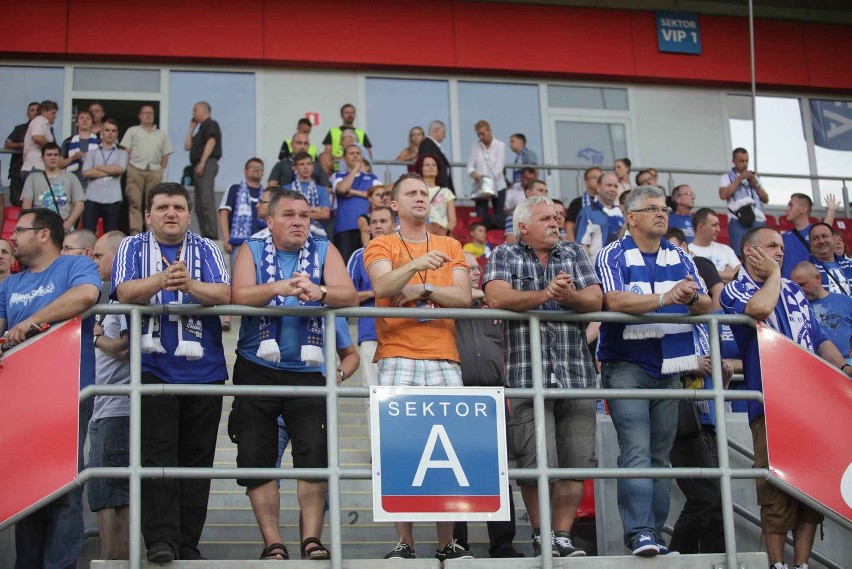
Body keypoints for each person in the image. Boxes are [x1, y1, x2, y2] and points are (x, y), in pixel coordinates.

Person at [230, 189, 357, 561]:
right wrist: (278, 288)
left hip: (306, 371)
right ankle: (273, 542)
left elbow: (349, 296)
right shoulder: (250, 249)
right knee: (255, 457)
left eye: (304, 214)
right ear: (269, 221)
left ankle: (311, 540)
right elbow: (238, 295)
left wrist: (320, 292)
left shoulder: (324, 249)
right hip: (257, 367)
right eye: (288, 214)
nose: (299, 221)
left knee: (314, 455)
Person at [720, 226, 852, 569]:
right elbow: (760, 309)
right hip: (770, 403)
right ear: (750, 252)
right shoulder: (735, 288)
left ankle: (802, 564)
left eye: (781, 247)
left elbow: (818, 337)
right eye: (772, 246)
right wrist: (775, 274)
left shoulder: (794, 291)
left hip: (812, 403)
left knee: (812, 490)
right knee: (776, 489)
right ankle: (777, 564)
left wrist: (844, 370)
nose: (780, 252)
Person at [112, 182, 231, 562]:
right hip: (152, 368)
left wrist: (190, 285)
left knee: (197, 465)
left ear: (189, 212)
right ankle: (161, 541)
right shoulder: (131, 246)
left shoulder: (209, 247)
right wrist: (161, 281)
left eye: (178, 207)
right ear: (148, 214)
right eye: (162, 207)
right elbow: (124, 291)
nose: (171, 214)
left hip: (204, 371)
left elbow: (225, 294)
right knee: (158, 457)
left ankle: (188, 544)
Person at [595, 185, 711, 556]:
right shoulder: (611, 253)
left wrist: (690, 297)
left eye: (664, 209)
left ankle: (655, 535)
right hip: (626, 363)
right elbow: (613, 299)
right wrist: (667, 297)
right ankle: (640, 532)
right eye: (652, 209)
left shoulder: (680, 254)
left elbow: (706, 302)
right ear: (630, 217)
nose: (662, 214)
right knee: (637, 450)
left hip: (670, 365)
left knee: (660, 455)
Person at [484, 195, 602, 558]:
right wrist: (544, 295)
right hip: (526, 374)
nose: (555, 222)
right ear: (523, 227)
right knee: (535, 460)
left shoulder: (574, 252)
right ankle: (540, 533)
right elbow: (495, 296)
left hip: (576, 373)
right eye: (545, 218)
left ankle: (561, 535)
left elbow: (595, 299)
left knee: (575, 460)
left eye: (557, 216)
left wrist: (568, 296)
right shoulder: (505, 254)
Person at [363, 172, 473, 561]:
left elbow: (462, 297)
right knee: (402, 447)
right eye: (411, 193)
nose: (420, 198)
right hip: (397, 352)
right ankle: (404, 541)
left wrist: (424, 288)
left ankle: (447, 542)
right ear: (393, 204)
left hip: (444, 354)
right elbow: (384, 287)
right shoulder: (380, 243)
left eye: (424, 193)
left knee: (452, 448)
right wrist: (415, 267)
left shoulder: (450, 243)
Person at [0, 208, 101, 569]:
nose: (13, 236)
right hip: (21, 400)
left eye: (21, 230)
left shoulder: (74, 267)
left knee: (62, 491)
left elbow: (88, 295)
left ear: (44, 234)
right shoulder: (9, 284)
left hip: (67, 393)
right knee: (27, 490)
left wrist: (30, 322)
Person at [449, 251, 523, 558]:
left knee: (497, 471)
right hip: (455, 396)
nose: (475, 273)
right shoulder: (448, 306)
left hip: (494, 396)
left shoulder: (496, 306)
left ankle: (502, 542)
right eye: (466, 269)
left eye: (477, 268)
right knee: (453, 472)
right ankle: (457, 542)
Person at [88, 230, 132, 560]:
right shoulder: (111, 299)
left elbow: (126, 348)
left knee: (115, 495)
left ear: (117, 258)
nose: (94, 261)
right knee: (104, 493)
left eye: (99, 255)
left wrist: (96, 338)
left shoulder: (122, 300)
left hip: (118, 407)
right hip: (104, 407)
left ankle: (114, 562)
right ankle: (110, 560)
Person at [347, 206, 397, 407]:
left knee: (403, 396)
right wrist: (375, 291)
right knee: (373, 396)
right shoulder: (359, 256)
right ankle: (374, 441)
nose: (377, 225)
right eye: (374, 222)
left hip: (405, 333)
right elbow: (346, 296)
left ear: (394, 225)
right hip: (370, 333)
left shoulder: (408, 252)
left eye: (383, 221)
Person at [120, 104, 174, 235]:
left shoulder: (161, 134)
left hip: (155, 171)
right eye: (145, 113)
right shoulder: (132, 131)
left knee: (153, 203)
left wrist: (161, 170)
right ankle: (136, 232)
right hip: (135, 169)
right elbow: (125, 152)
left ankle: (152, 232)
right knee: (135, 202)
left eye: (151, 113)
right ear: (140, 116)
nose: (148, 115)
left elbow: (165, 155)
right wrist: (127, 169)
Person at [791, 261, 852, 363]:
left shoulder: (845, 301)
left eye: (803, 284)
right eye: (796, 287)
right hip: (819, 366)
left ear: (818, 278)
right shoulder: (798, 309)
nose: (800, 290)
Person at [331, 144, 382, 264]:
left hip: (369, 228)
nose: (355, 156)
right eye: (351, 153)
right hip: (345, 228)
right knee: (346, 265)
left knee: (369, 263)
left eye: (358, 153)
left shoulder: (373, 177)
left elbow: (378, 195)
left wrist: (353, 192)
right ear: (344, 158)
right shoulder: (337, 175)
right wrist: (354, 170)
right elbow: (343, 189)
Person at [22, 142, 86, 232]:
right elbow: (26, 203)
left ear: (60, 157)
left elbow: (80, 205)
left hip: (63, 227)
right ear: (42, 158)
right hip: (40, 227)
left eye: (56, 155)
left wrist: (67, 224)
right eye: (49, 155)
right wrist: (31, 226)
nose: (52, 157)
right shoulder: (32, 178)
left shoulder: (71, 177)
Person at [718, 147, 769, 255]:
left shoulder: (755, 178)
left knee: (761, 254)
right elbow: (723, 195)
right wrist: (739, 179)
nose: (745, 164)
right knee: (740, 253)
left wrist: (756, 185)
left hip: (758, 219)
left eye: (746, 160)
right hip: (738, 219)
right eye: (741, 161)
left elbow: (765, 199)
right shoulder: (726, 177)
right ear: (733, 161)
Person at [81, 118, 127, 233]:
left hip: (113, 198)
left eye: (113, 130)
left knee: (110, 234)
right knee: (88, 233)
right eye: (107, 130)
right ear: (101, 132)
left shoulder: (122, 153)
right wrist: (109, 170)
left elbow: (119, 170)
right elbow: (86, 172)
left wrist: (97, 167)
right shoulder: (91, 152)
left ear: (117, 133)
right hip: (92, 197)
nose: (110, 133)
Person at [184, 101, 222, 239]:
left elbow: (211, 142)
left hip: (206, 164)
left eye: (195, 110)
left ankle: (212, 235)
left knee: (206, 200)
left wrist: (202, 162)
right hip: (199, 165)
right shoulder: (200, 129)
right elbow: (187, 146)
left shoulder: (211, 124)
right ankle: (206, 234)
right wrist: (191, 128)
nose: (193, 113)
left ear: (204, 110)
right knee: (199, 204)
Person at [575, 171, 624, 259]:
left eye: (615, 186)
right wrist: (588, 271)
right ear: (598, 187)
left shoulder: (621, 213)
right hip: (596, 270)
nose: (612, 189)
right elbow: (582, 246)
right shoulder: (587, 212)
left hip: (620, 270)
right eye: (608, 185)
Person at [467, 120, 506, 228]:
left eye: (483, 133)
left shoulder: (500, 145)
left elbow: (499, 168)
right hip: (480, 186)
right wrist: (473, 173)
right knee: (481, 215)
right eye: (479, 134)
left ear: (489, 131)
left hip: (498, 186)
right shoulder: (475, 145)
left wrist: (486, 180)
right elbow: (470, 166)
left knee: (499, 213)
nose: (481, 136)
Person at [284, 151, 332, 238]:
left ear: (313, 167)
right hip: (292, 233)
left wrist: (296, 212)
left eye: (308, 164)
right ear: (295, 168)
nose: (306, 167)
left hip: (317, 234)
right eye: (302, 164)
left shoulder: (321, 190)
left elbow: (325, 214)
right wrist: (315, 209)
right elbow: (284, 213)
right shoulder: (285, 189)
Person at [689, 208, 741, 283]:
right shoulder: (687, 251)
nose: (718, 229)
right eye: (714, 225)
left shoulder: (725, 249)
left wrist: (708, 275)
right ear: (700, 227)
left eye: (718, 225)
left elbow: (740, 274)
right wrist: (727, 273)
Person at [4, 101, 39, 205]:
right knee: (17, 202)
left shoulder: (45, 128)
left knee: (36, 204)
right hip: (18, 172)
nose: (35, 112)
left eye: (38, 110)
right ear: (27, 113)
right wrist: (23, 145)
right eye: (32, 110)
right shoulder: (20, 129)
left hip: (37, 172)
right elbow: (7, 144)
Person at [320, 103, 373, 173]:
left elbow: (368, 156)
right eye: (347, 112)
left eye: (352, 112)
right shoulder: (333, 132)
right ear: (341, 115)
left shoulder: (361, 133)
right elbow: (327, 153)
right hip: (336, 170)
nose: (350, 115)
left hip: (358, 171)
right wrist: (341, 159)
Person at [415, 154, 456, 236]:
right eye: (427, 165)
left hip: (442, 234)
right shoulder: (415, 191)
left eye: (434, 165)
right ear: (420, 169)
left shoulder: (446, 192)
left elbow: (452, 221)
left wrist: (445, 232)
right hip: (421, 233)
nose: (431, 167)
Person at [807, 222, 852, 295]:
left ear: (834, 239)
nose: (821, 241)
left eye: (825, 236)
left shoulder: (850, 266)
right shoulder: (805, 270)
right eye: (815, 238)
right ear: (810, 243)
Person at [21, 100, 59, 185]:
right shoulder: (39, 120)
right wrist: (52, 148)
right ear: (44, 111)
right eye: (53, 113)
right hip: (35, 167)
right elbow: (37, 137)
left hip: (38, 167)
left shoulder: (45, 125)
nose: (55, 116)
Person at [60, 110, 99, 187]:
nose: (85, 120)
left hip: (94, 181)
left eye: (88, 118)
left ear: (92, 123)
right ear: (77, 123)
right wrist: (73, 158)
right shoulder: (68, 141)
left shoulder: (99, 141)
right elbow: (60, 164)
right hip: (72, 181)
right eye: (81, 118)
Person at [780, 193, 815, 278]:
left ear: (803, 209)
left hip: (810, 288)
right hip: (787, 289)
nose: (786, 209)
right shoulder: (783, 238)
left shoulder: (817, 235)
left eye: (791, 205)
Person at [565, 166, 602, 242]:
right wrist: (573, 245)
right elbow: (569, 225)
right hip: (582, 245)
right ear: (586, 182)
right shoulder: (577, 202)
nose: (598, 180)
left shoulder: (608, 202)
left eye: (601, 178)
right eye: (595, 177)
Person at [417, 120, 454, 193]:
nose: (445, 136)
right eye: (443, 132)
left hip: (440, 188)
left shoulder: (432, 145)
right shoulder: (427, 144)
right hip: (434, 188)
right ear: (436, 130)